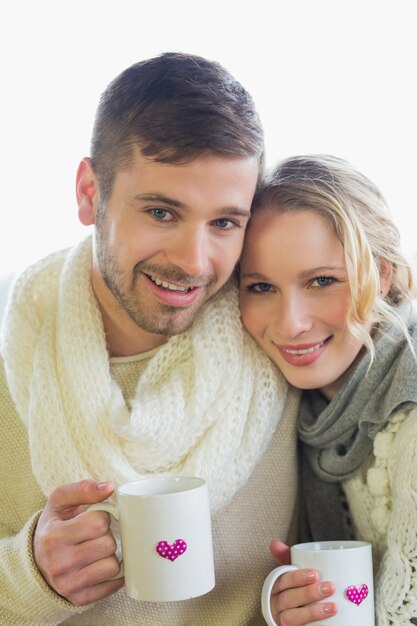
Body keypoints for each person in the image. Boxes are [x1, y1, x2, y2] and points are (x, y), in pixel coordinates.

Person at [0, 53, 300, 625]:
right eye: (162, 212)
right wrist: (28, 573)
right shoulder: (8, 378)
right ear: (90, 193)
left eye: (225, 222)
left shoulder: (282, 351)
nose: (194, 262)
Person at [239, 153, 417, 625]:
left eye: (322, 281)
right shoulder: (296, 411)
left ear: (380, 275)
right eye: (260, 287)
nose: (292, 323)